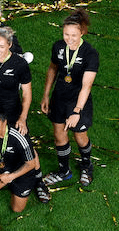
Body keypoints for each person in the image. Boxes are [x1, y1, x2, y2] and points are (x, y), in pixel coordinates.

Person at [41, 9, 99, 187]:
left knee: (80, 136)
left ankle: (86, 165)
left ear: (82, 32)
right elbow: (52, 69)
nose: (69, 38)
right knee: (59, 136)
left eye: (73, 35)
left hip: (78, 101)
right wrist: (46, 94)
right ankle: (64, 171)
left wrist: (76, 111)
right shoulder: (58, 46)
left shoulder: (90, 53)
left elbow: (86, 86)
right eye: (66, 34)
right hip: (59, 97)